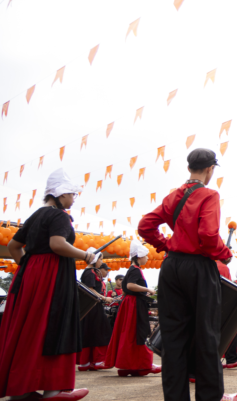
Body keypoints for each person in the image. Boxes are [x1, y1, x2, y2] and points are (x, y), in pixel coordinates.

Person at [138, 148, 237, 401]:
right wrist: (224, 253)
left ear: (189, 168)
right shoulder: (209, 195)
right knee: (207, 334)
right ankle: (210, 397)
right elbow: (208, 236)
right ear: (210, 169)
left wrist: (167, 245)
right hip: (198, 267)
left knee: (173, 338)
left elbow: (145, 226)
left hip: (172, 267)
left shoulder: (173, 196)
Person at [0, 169, 90, 400]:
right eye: (72, 194)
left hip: (30, 278)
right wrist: (86, 255)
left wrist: (29, 268)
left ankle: (21, 388)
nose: (73, 199)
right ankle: (53, 390)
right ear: (61, 195)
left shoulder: (36, 215)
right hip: (53, 277)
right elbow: (57, 244)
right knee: (54, 326)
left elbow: (13, 246)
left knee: (28, 329)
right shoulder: (60, 216)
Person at [105, 240, 160, 377]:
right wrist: (147, 289)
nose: (147, 258)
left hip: (131, 303)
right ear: (139, 256)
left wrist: (142, 292)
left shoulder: (132, 269)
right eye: (146, 255)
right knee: (137, 333)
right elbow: (129, 286)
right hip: (134, 305)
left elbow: (126, 289)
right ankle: (142, 363)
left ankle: (128, 365)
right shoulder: (135, 270)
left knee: (129, 334)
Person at [77, 258, 114, 371]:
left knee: (92, 332)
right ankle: (97, 360)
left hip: (93, 306)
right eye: (100, 259)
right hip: (92, 306)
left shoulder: (91, 272)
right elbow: (89, 289)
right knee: (99, 331)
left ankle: (89, 361)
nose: (101, 261)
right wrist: (104, 297)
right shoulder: (89, 273)